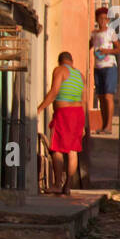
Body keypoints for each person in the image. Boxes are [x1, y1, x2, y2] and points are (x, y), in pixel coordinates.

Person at [36, 51, 85, 195]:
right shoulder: (80, 75)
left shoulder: (60, 70)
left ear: (60, 61)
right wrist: (83, 125)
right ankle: (68, 186)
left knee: (56, 148)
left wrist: (40, 108)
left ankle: (57, 184)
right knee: (72, 151)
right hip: (78, 115)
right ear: (72, 61)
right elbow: (84, 100)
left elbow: (54, 91)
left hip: (64, 114)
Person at [89, 7, 120, 133]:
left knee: (108, 96)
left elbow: (118, 49)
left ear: (108, 19)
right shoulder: (94, 33)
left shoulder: (110, 32)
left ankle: (109, 126)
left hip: (109, 66)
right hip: (98, 67)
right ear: (96, 19)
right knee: (101, 97)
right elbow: (90, 45)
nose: (102, 21)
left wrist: (107, 51)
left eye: (105, 18)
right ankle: (103, 125)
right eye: (100, 18)